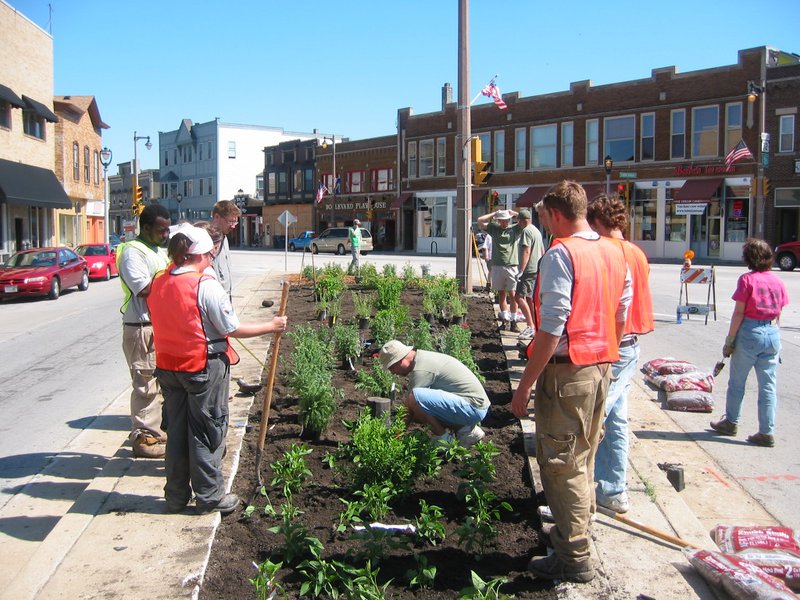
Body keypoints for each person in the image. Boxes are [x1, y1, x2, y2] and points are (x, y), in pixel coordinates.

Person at [511, 181, 630, 584]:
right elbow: (621, 311)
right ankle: (573, 534)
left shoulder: (561, 254)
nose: (543, 224)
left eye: (544, 217)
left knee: (563, 466)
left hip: (569, 372)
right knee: (584, 457)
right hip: (600, 368)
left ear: (557, 214)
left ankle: (574, 557)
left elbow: (550, 328)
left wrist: (525, 384)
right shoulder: (613, 252)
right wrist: (605, 352)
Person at [147, 224, 288, 514]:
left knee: (176, 431)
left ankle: (175, 497)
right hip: (201, 365)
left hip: (168, 367)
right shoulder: (204, 285)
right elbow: (231, 327)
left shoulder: (159, 281)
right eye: (210, 255)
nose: (213, 259)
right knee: (206, 429)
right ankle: (210, 496)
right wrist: (271, 325)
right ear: (199, 255)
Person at [587, 193, 654, 513]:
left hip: (611, 343)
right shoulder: (637, 253)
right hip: (631, 343)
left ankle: (597, 489)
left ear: (598, 222)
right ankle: (613, 488)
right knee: (616, 416)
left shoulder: (605, 251)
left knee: (596, 415)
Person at [710, 238, 788, 448]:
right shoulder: (778, 281)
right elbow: (779, 312)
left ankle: (731, 422)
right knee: (768, 386)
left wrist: (730, 341)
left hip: (750, 332)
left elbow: (739, 313)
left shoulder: (747, 280)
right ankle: (766, 431)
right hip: (772, 332)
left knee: (737, 383)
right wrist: (775, 336)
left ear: (749, 258)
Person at [116, 204, 171, 458]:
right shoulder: (132, 252)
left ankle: (156, 433)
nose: (165, 234)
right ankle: (144, 439)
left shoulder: (156, 250)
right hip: (141, 326)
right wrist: (176, 278)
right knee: (145, 384)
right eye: (161, 230)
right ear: (146, 227)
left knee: (159, 384)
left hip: (157, 325)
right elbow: (144, 288)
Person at [379, 340, 489, 447]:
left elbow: (409, 407)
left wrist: (394, 438)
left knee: (414, 400)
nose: (392, 373)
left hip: (473, 407)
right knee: (420, 411)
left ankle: (443, 439)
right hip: (474, 405)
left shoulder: (421, 370)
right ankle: (465, 430)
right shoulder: (422, 358)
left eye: (391, 367)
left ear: (400, 360)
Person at [477, 209, 520, 330]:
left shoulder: (514, 229)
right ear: (499, 220)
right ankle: (505, 320)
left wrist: (513, 212)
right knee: (501, 294)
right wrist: (494, 214)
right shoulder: (494, 229)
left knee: (513, 294)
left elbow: (526, 220)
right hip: (497, 266)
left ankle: (514, 321)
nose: (504, 223)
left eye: (506, 220)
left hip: (511, 265)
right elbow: (480, 221)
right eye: (502, 220)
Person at [515, 209, 544, 340]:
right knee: (530, 299)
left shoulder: (526, 231)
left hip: (528, 270)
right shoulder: (536, 230)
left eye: (518, 221)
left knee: (519, 297)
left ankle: (530, 326)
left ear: (522, 220)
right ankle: (535, 325)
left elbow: (526, 251)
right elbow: (542, 250)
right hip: (536, 268)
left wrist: (521, 270)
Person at [210, 200, 241, 299]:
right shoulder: (208, 242)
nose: (233, 226)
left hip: (226, 298)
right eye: (230, 221)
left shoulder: (224, 238)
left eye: (235, 222)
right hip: (216, 300)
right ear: (216, 217)